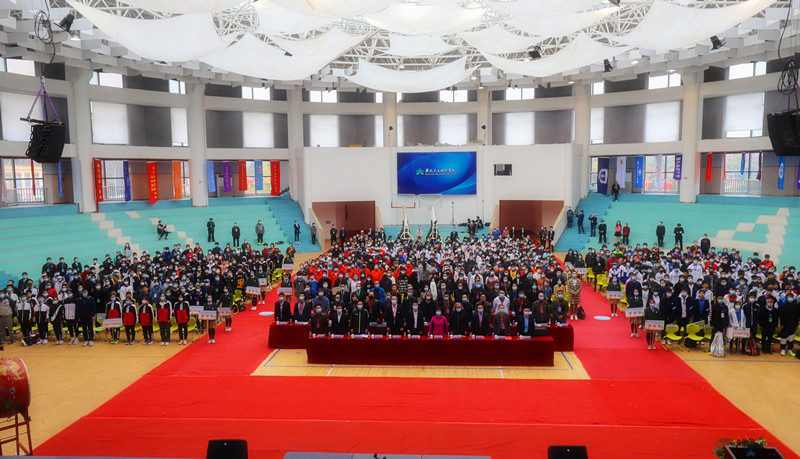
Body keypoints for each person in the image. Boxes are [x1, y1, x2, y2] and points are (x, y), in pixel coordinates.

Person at [778, 292, 798, 356]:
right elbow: (781, 315)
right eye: (789, 297)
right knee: (783, 338)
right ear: (787, 298)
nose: (791, 298)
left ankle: (790, 349)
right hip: (785, 325)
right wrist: (781, 324)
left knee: (791, 338)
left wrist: (796, 324)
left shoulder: (795, 305)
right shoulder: (784, 305)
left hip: (793, 324)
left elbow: (797, 315)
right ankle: (782, 349)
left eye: (792, 297)